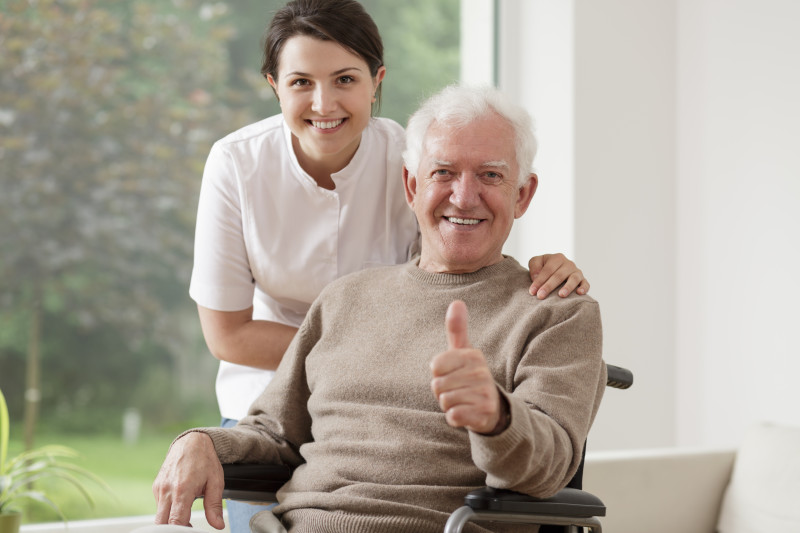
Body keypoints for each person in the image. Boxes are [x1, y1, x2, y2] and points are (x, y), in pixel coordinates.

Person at [193, 0, 590, 529]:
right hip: (284, 456)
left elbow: (547, 465)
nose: (463, 195)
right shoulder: (342, 296)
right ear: (413, 185)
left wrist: (496, 416)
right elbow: (261, 403)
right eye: (443, 172)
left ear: (524, 194)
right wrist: (197, 440)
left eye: (491, 176)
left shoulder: (553, 311)